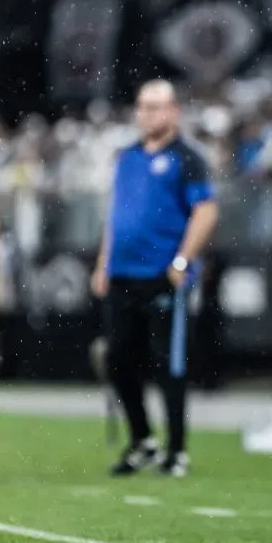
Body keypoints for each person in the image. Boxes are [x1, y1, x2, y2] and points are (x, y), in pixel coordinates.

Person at [91, 79, 219, 478]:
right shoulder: (127, 156)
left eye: (156, 107)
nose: (148, 114)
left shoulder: (187, 158)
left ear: (173, 111)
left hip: (163, 275)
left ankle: (176, 449)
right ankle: (142, 438)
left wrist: (183, 260)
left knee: (169, 363)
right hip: (122, 273)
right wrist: (102, 263)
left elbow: (206, 211)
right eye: (143, 107)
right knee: (118, 359)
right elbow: (117, 215)